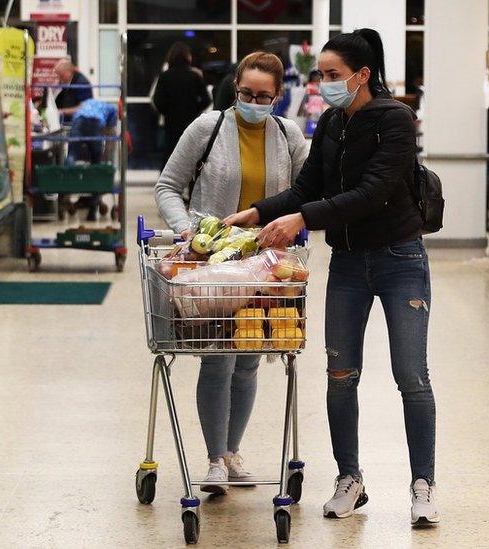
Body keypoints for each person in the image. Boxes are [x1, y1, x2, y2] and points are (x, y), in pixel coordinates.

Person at [224, 28, 440, 525]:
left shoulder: (396, 121)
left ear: (362, 75)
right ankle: (350, 478)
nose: (324, 83)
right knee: (341, 375)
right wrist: (254, 213)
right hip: (347, 264)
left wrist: (303, 220)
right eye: (321, 74)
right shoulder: (331, 124)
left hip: (399, 260)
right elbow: (305, 188)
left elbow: (372, 193)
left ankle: (423, 484)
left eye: (333, 75)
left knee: (411, 375)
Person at [154, 51, 308, 494]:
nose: (254, 102)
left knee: (248, 359)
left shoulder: (289, 134)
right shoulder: (207, 128)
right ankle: (214, 459)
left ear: (278, 96)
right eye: (246, 93)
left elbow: (306, 192)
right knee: (217, 358)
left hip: (267, 265)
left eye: (264, 96)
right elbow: (169, 185)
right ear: (234, 88)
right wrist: (188, 230)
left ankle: (233, 451)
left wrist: (296, 223)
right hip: (212, 265)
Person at [152, 42, 211, 167]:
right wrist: (195, 109)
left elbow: (157, 100)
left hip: (171, 123)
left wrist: (166, 111)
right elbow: (206, 99)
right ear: (187, 57)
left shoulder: (165, 76)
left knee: (170, 155)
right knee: (192, 156)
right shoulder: (195, 76)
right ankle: (191, 185)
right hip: (191, 122)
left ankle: (168, 184)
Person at [66, 98, 118, 221]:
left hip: (78, 121)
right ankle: (93, 207)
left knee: (72, 155)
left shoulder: (86, 103)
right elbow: (110, 130)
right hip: (96, 123)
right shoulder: (112, 109)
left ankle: (65, 191)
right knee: (96, 164)